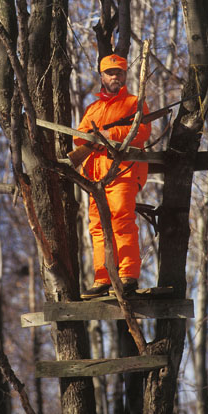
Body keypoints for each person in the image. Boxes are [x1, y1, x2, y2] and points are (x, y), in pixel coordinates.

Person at [73, 54, 151, 299]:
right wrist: (93, 139)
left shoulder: (134, 103)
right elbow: (79, 136)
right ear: (102, 76)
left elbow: (141, 131)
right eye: (110, 72)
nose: (115, 76)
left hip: (123, 173)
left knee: (121, 221)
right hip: (96, 178)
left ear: (125, 75)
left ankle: (128, 275)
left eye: (119, 72)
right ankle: (103, 278)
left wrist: (108, 134)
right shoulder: (93, 108)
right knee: (97, 227)